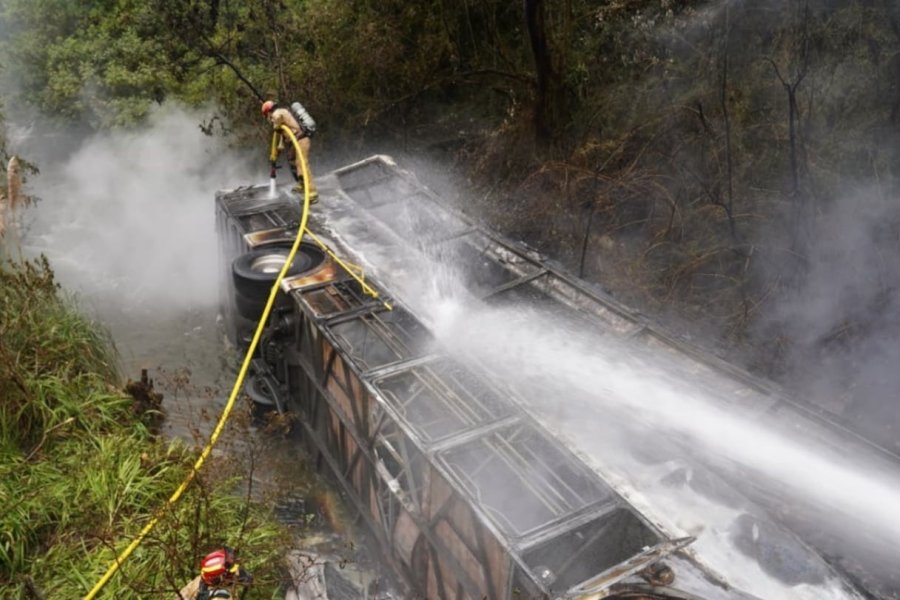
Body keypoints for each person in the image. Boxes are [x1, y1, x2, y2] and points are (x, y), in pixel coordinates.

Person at [261, 99, 319, 202]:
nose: (268, 119)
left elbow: (278, 117)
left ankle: (312, 192)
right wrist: (274, 155)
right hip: (295, 141)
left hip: (301, 139)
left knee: (301, 163)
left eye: (267, 116)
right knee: (291, 159)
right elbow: (281, 144)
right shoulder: (281, 123)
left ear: (268, 112)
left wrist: (276, 125)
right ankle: (302, 185)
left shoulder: (278, 113)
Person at [176, 546, 253, 599]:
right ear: (218, 579)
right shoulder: (220, 597)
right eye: (230, 574)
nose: (234, 574)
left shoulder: (203, 579)